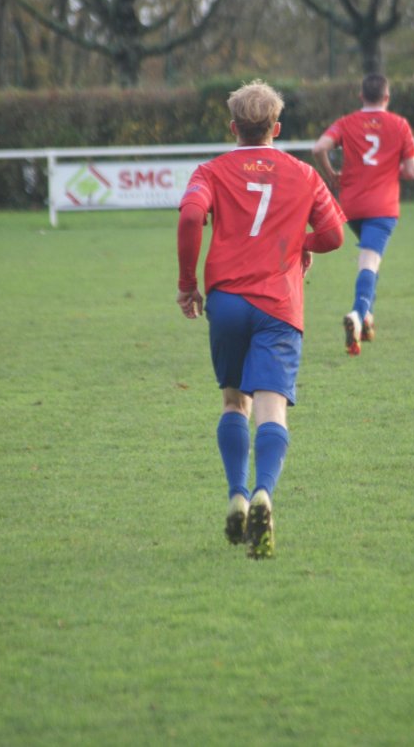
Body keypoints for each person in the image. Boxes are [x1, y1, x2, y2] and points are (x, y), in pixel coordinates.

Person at [177, 80, 345, 559]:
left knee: (234, 403)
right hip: (278, 305)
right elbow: (334, 235)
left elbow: (190, 218)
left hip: (227, 302)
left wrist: (187, 283)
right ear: (277, 128)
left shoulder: (210, 171)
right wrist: (298, 244)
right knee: (272, 410)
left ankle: (236, 494)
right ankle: (263, 495)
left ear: (233, 128)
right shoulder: (303, 174)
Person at [312, 73, 414, 355]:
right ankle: (358, 315)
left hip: (352, 205)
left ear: (361, 96)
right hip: (382, 207)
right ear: (387, 97)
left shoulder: (346, 123)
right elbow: (412, 171)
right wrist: (390, 168)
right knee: (369, 261)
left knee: (372, 260)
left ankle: (368, 318)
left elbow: (319, 148)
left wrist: (330, 174)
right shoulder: (399, 124)